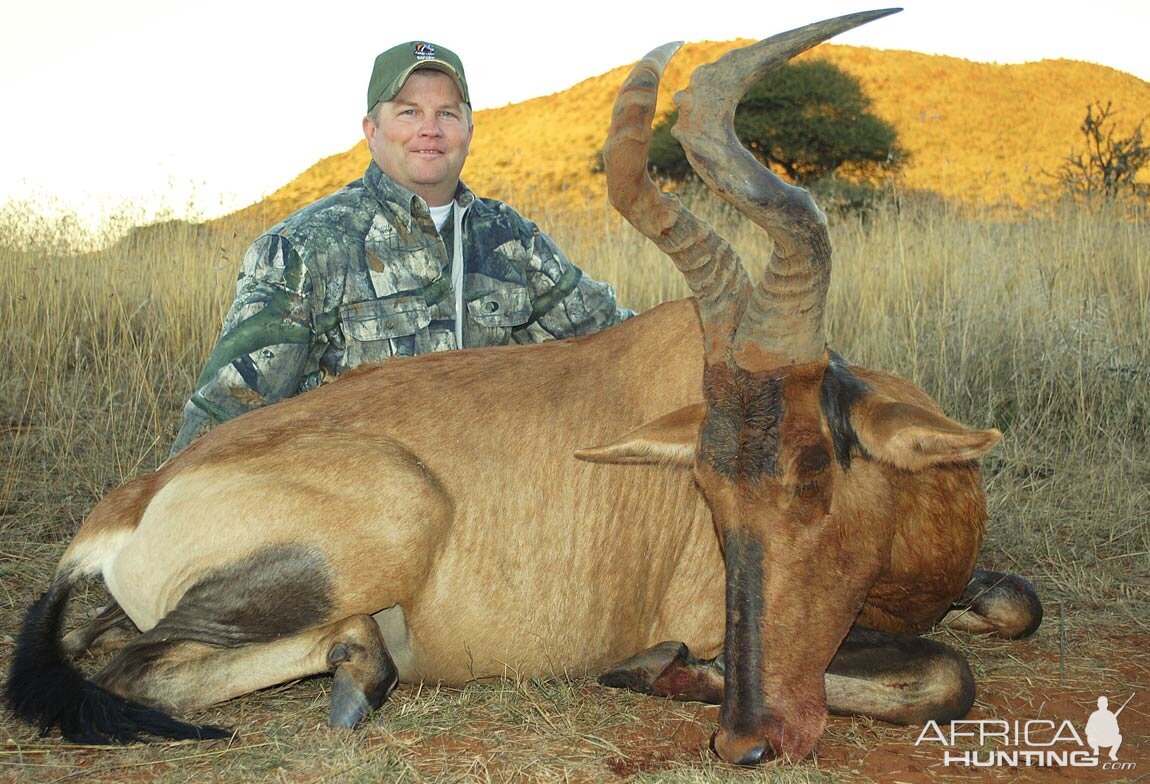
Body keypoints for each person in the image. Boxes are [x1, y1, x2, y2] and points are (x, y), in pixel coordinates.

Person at [171, 40, 633, 454]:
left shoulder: (513, 241)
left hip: (491, 511)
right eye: (408, 112)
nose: (429, 129)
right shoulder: (300, 249)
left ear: (469, 130)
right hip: (353, 515)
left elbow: (622, 339)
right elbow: (223, 418)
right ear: (372, 130)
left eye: (446, 114)